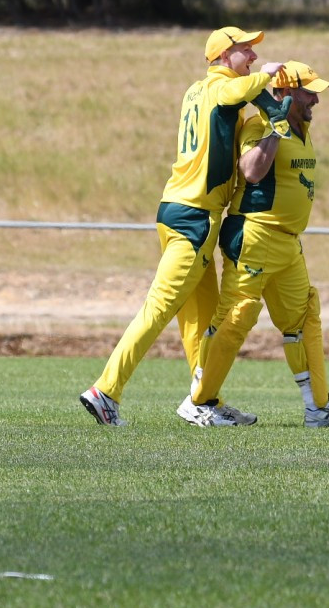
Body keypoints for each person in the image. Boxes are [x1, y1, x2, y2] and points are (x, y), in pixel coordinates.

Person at [79, 27, 289, 427]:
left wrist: (265, 101)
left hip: (177, 209)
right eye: (247, 51)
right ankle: (106, 390)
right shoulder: (222, 88)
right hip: (195, 217)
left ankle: (206, 399)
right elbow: (234, 92)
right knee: (158, 308)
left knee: (201, 317)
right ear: (225, 57)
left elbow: (236, 99)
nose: (255, 58)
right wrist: (269, 77)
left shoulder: (196, 90)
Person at [186, 62, 329, 427]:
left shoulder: (304, 128)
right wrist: (275, 130)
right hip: (254, 236)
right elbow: (251, 172)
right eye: (308, 92)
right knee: (237, 317)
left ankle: (318, 407)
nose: (316, 98)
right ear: (283, 92)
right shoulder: (259, 125)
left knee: (303, 317)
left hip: (287, 245)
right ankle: (200, 402)